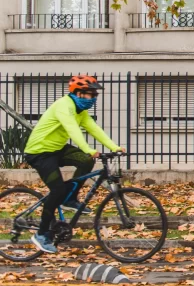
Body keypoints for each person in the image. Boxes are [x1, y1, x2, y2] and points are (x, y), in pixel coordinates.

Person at [22, 75, 124, 254]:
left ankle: (70, 199)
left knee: (85, 160)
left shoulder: (80, 111)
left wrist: (114, 147)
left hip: (57, 149)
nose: (93, 98)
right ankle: (42, 234)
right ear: (77, 93)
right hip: (40, 153)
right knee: (58, 190)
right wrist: (88, 149)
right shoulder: (64, 106)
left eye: (95, 95)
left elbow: (94, 128)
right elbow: (72, 129)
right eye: (89, 94)